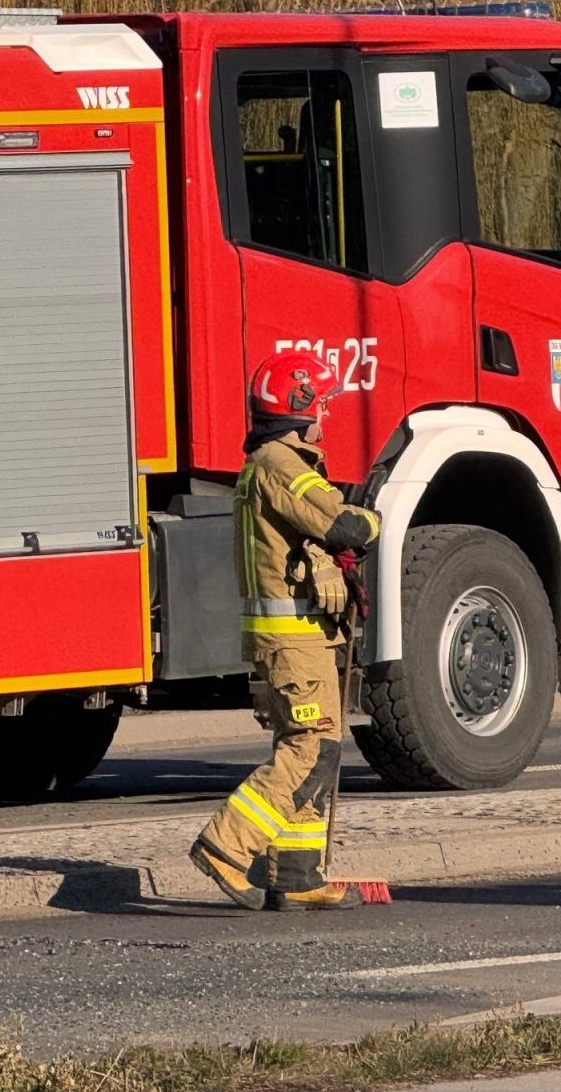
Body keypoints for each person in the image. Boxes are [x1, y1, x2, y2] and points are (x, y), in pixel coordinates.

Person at [190, 352, 380, 911]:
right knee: (311, 750)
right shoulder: (281, 463)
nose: (326, 416)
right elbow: (344, 523)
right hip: (294, 641)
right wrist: (374, 515)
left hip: (303, 639)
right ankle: (227, 844)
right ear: (303, 408)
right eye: (322, 405)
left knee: (313, 748)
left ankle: (296, 875)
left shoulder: (273, 460)